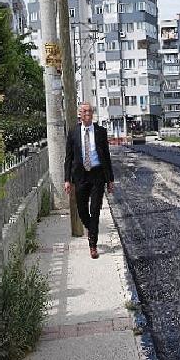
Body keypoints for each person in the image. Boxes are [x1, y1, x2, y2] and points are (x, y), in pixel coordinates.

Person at [64, 103, 114, 259]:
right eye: (85, 111)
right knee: (82, 209)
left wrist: (110, 180)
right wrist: (67, 179)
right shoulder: (73, 132)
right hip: (80, 176)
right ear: (80, 114)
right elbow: (69, 158)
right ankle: (90, 228)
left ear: (93, 114)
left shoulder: (100, 132)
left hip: (97, 174)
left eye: (90, 111)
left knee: (95, 210)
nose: (87, 113)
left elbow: (106, 156)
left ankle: (93, 245)